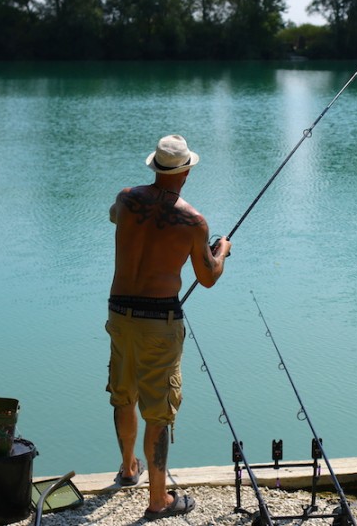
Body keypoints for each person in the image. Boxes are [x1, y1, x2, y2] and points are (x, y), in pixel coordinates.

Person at [106, 134, 231, 521]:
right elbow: (207, 277)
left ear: (156, 166)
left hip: (120, 313)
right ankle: (158, 500)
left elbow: (115, 217)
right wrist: (221, 250)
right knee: (158, 412)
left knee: (123, 393)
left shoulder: (127, 198)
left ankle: (129, 469)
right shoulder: (193, 221)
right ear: (187, 170)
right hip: (159, 322)